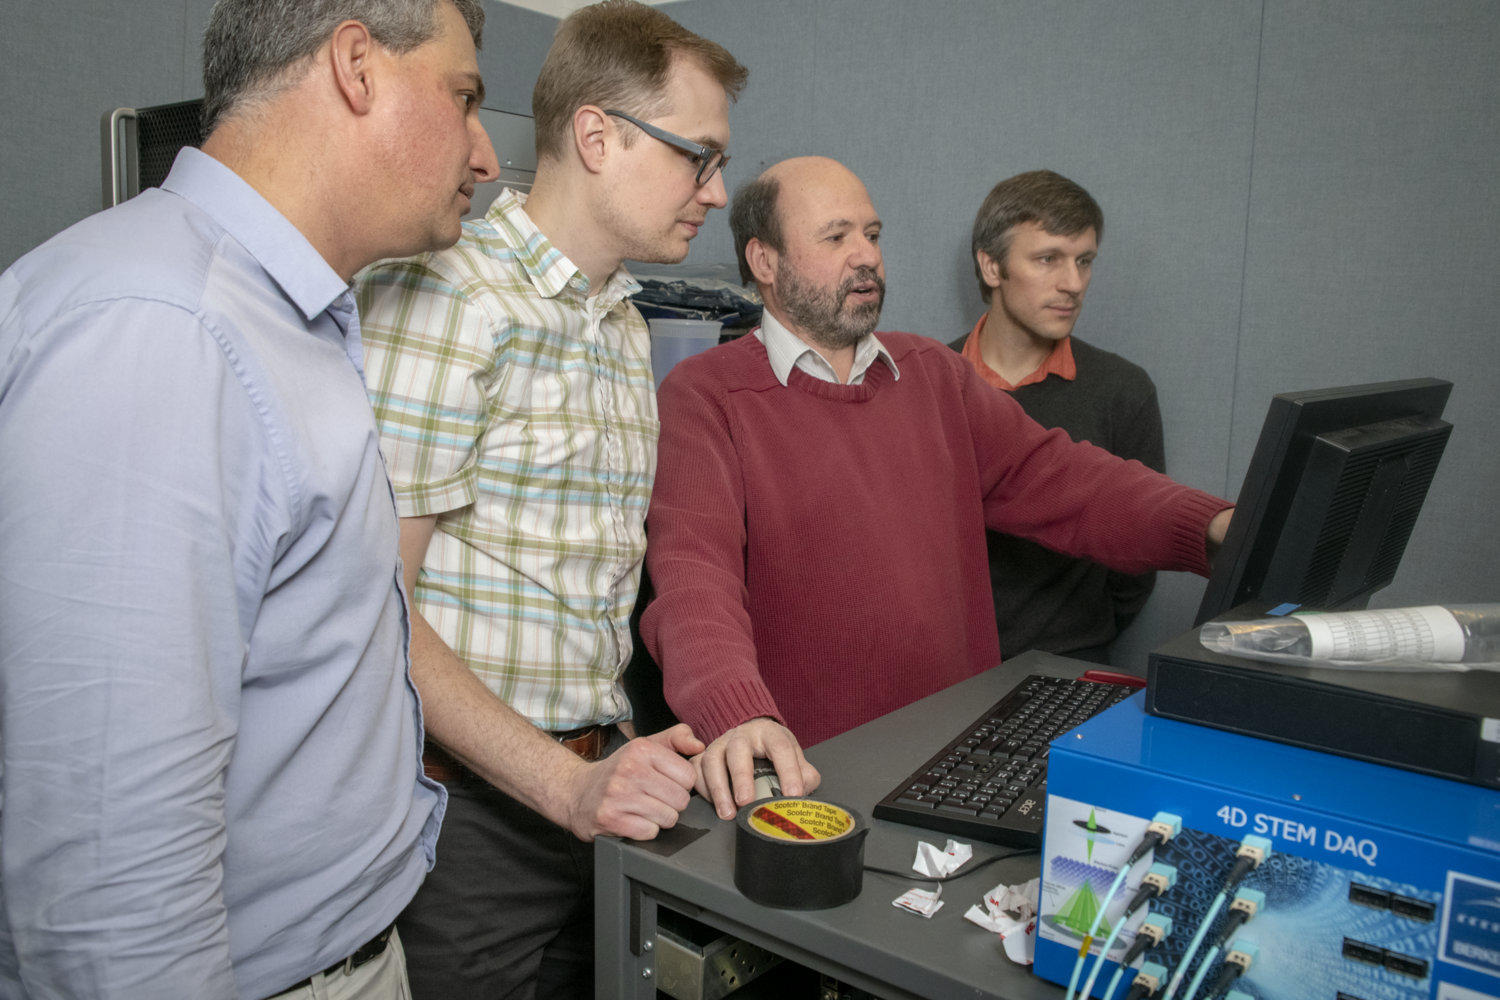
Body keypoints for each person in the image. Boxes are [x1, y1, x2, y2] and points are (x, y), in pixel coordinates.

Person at [0, 1, 500, 997]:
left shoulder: (275, 315)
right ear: (357, 64)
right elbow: (113, 886)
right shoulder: (165, 333)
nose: (484, 154)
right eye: (464, 97)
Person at [640, 156, 1234, 819]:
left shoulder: (932, 374)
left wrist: (1213, 527)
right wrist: (739, 714)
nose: (867, 257)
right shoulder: (706, 394)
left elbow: (1071, 480)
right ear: (766, 261)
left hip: (957, 766)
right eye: (837, 238)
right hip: (808, 775)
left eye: (873, 234)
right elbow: (695, 578)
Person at [352, 2, 747, 995]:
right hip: (473, 817)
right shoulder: (454, 297)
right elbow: (372, 610)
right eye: (697, 157)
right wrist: (566, 784)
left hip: (593, 781)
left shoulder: (621, 320)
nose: (718, 190)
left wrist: (612, 763)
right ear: (598, 135)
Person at [950, 170, 1164, 664]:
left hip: (1071, 666)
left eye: (1084, 261)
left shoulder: (1122, 390)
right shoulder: (928, 383)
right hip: (943, 675)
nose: (1073, 284)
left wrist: (1084, 636)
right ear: (992, 266)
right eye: (1048, 259)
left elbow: (1140, 546)